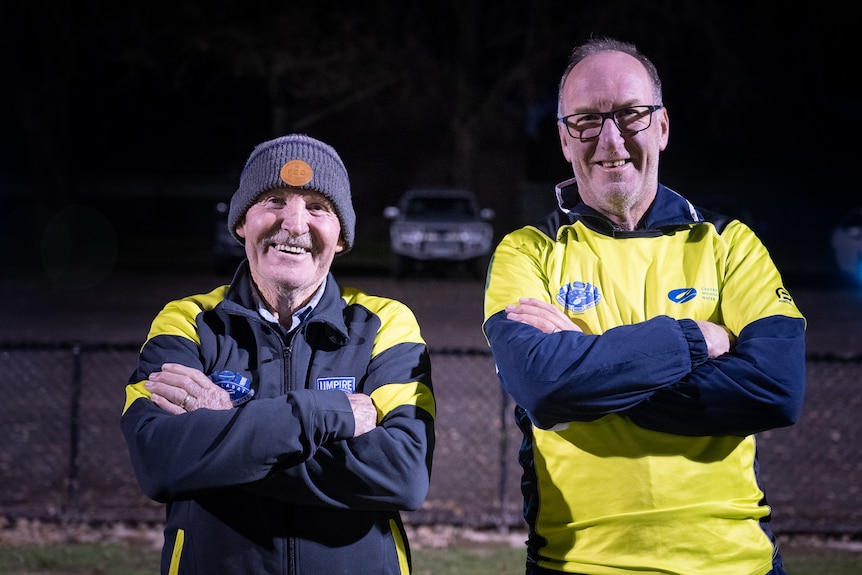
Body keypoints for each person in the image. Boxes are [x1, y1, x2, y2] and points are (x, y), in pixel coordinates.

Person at [482, 37, 806, 575]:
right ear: (564, 139)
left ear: (662, 126)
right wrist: (694, 341)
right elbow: (543, 385)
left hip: (735, 563)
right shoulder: (527, 251)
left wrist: (590, 366)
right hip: (578, 564)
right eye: (586, 120)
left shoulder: (730, 243)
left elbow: (776, 390)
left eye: (630, 115)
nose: (610, 139)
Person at [120, 134, 436, 575]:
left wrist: (227, 429)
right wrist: (325, 414)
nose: (294, 223)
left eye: (317, 207)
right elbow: (159, 460)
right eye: (273, 200)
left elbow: (403, 473)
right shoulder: (187, 321)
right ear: (240, 224)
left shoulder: (385, 323)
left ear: (341, 235)